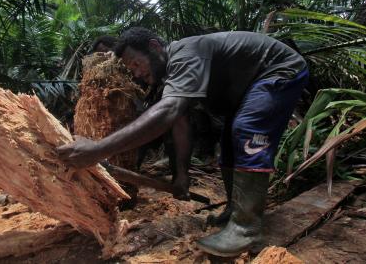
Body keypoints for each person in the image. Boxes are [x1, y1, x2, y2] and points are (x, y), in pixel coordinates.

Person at [57, 27, 308, 256]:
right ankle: (235, 211)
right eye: (132, 70)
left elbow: (168, 112)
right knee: (230, 140)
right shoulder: (173, 73)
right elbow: (180, 123)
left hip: (280, 69)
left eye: (136, 63)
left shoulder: (187, 53)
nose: (137, 73)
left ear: (155, 47)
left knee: (247, 129)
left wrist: (99, 150)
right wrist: (182, 175)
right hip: (251, 84)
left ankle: (246, 229)